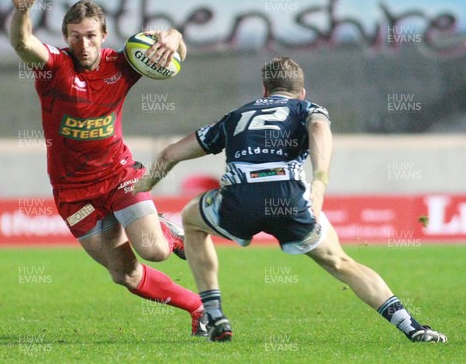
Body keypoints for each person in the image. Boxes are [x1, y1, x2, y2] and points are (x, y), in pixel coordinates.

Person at [134, 57, 447, 343]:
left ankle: (214, 313)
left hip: (240, 199)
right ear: (301, 91)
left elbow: (170, 154)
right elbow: (320, 128)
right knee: (342, 263)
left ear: (265, 90)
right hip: (290, 200)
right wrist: (320, 179)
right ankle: (413, 328)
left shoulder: (236, 116)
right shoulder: (306, 108)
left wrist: (142, 187)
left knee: (191, 218)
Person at [8, 0, 207, 336]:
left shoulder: (124, 62)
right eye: (74, 36)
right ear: (66, 36)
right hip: (73, 192)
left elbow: (175, 53)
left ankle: (169, 234)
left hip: (120, 175)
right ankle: (198, 307)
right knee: (125, 275)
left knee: (154, 251)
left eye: (89, 35)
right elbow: (23, 42)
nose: (82, 44)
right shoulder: (53, 66)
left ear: (104, 34)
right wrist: (23, 11)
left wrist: (175, 36)